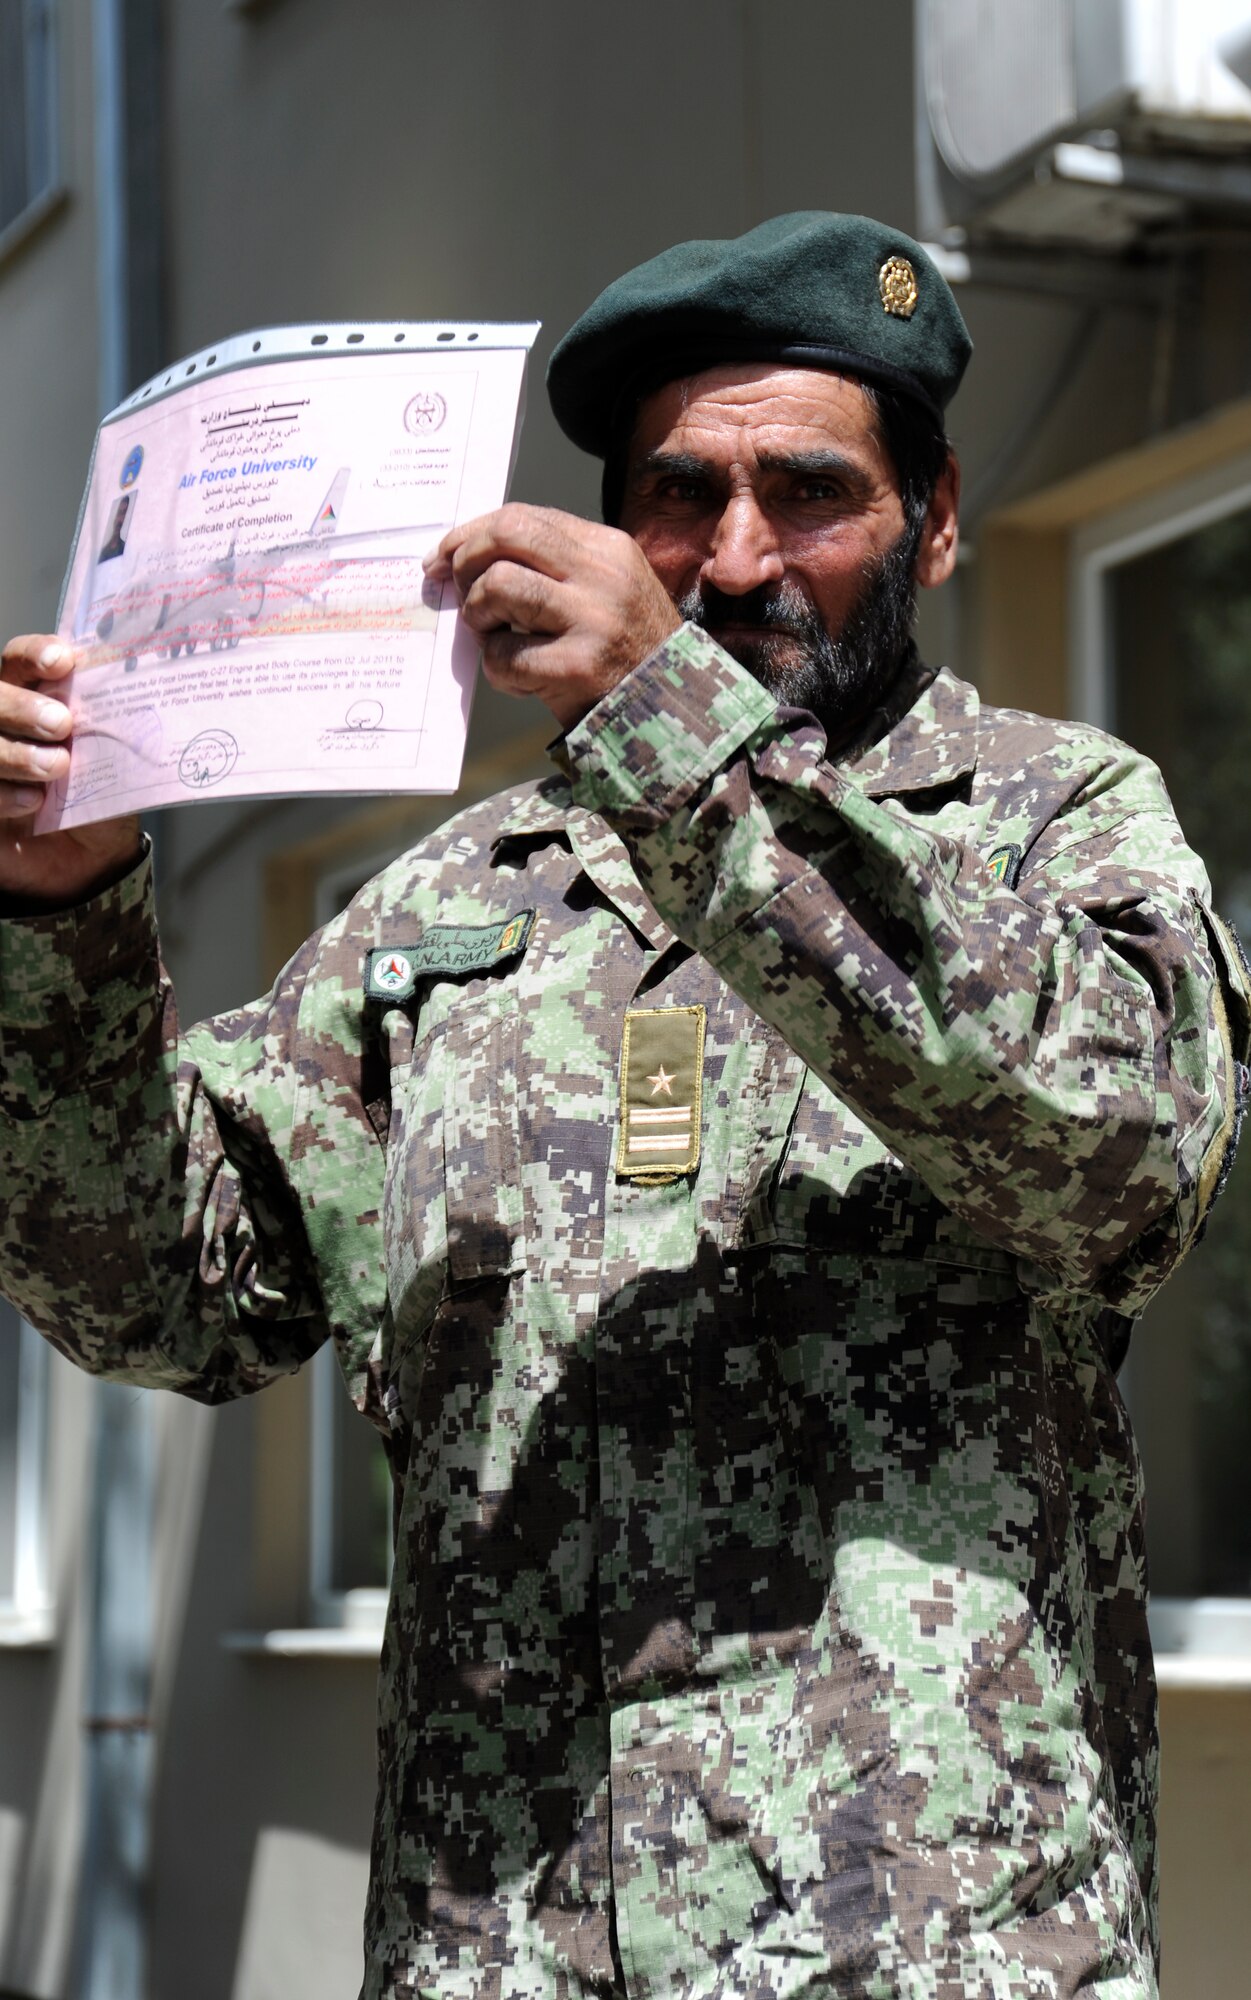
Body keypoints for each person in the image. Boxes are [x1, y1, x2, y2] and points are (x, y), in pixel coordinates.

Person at [1, 213, 1247, 2000]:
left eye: (809, 492)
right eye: (680, 497)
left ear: (940, 519)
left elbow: (1114, 1159)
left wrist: (672, 728)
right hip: (502, 1952)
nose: (737, 558)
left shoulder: (1053, 822)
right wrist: (51, 917)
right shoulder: (450, 910)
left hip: (932, 1949)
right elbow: (161, 1293)